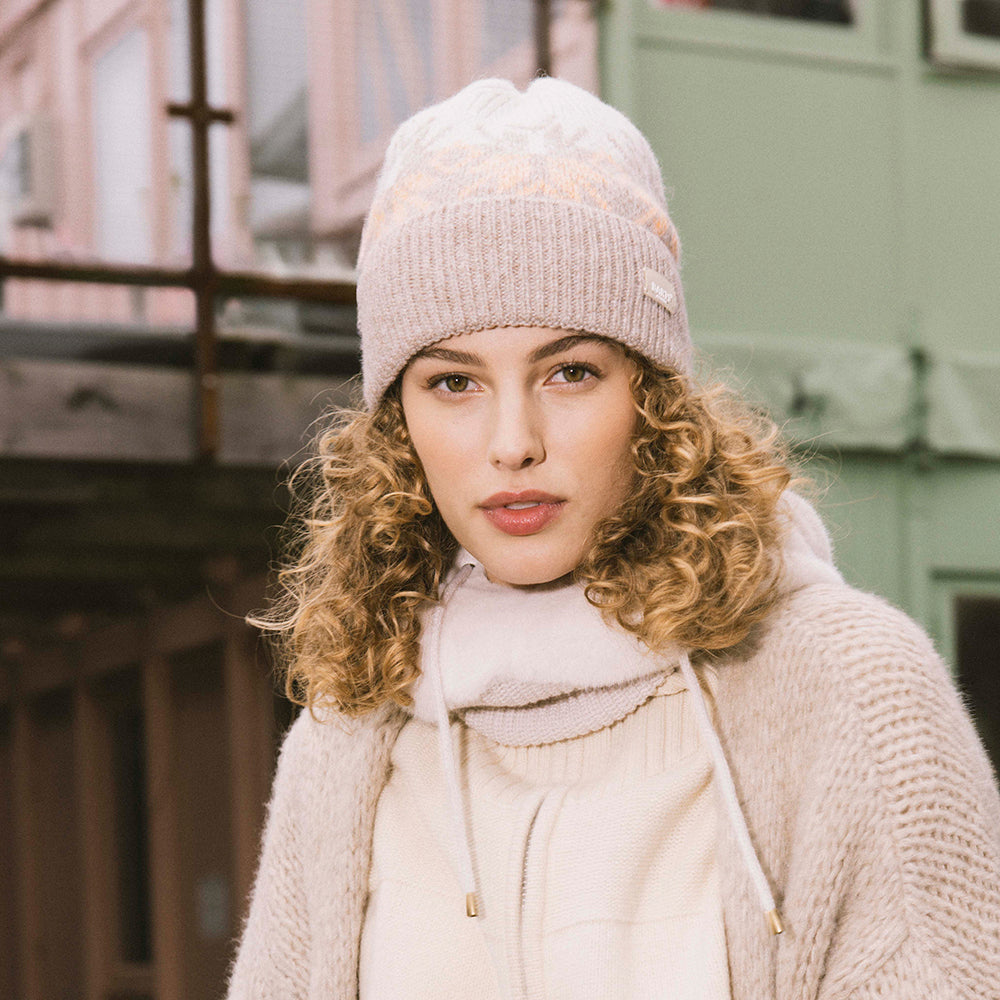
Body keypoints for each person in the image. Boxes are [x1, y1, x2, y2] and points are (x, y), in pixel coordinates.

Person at [227, 78, 1000, 999]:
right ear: (397, 424)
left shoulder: (849, 689)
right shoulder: (347, 735)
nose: (514, 442)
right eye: (453, 383)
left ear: (654, 397)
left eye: (570, 372)